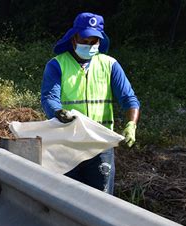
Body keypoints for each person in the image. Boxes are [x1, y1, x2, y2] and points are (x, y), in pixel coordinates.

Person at [41, 12, 140, 195]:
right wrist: (57, 111)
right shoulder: (57, 65)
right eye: (84, 40)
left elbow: (129, 99)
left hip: (100, 145)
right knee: (67, 198)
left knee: (100, 201)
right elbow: (49, 97)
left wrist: (131, 123)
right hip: (67, 143)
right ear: (73, 39)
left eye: (94, 41)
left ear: (99, 42)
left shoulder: (110, 65)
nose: (89, 45)